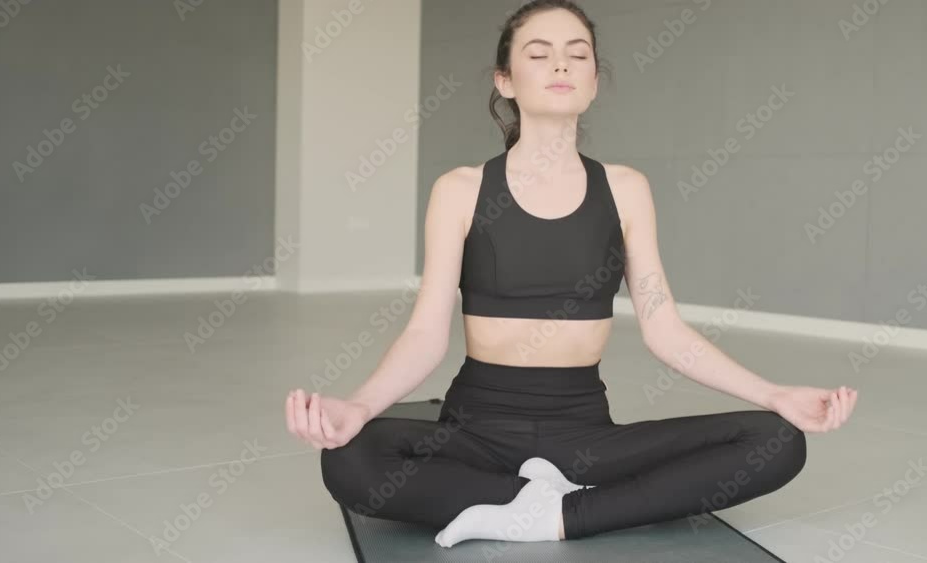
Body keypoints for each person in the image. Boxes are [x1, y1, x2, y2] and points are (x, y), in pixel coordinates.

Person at [286, 0, 859, 548]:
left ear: (592, 79)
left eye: (577, 53)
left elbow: (666, 330)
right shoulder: (460, 190)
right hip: (476, 430)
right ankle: (577, 506)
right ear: (504, 80)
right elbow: (425, 334)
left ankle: (549, 513)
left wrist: (775, 393)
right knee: (349, 458)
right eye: (538, 53)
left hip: (584, 435)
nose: (560, 62)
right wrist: (358, 406)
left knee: (776, 442)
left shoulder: (626, 189)